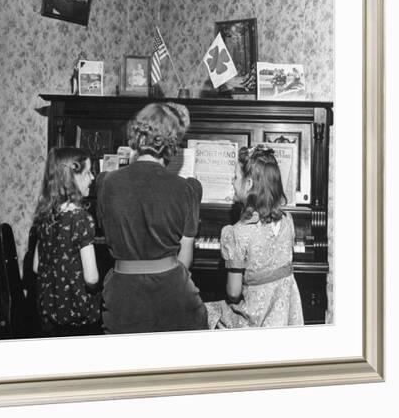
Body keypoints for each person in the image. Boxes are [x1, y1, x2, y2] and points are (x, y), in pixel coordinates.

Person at [96, 102, 208, 334]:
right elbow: (184, 262)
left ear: (137, 134)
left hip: (122, 300)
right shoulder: (187, 188)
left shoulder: (106, 182)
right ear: (171, 141)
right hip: (173, 298)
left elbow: (106, 234)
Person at [206, 145, 304, 328]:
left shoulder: (237, 232)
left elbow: (233, 293)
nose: (232, 181)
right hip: (286, 320)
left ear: (249, 184)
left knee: (206, 311)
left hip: (253, 321)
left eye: (236, 177)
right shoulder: (288, 221)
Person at [28, 147, 102, 336]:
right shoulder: (81, 218)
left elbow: (36, 267)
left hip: (48, 315)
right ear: (72, 178)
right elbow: (91, 277)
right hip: (78, 317)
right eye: (87, 173)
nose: (93, 178)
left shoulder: (45, 216)